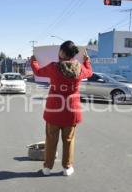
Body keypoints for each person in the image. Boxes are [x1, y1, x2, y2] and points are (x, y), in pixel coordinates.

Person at [31, 41, 93, 176]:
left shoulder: (54, 67)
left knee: (51, 139)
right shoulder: (80, 68)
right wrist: (87, 60)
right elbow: (89, 72)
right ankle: (67, 168)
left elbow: (38, 71)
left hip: (54, 111)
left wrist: (34, 60)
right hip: (72, 111)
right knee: (69, 140)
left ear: (62, 53)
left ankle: (47, 168)